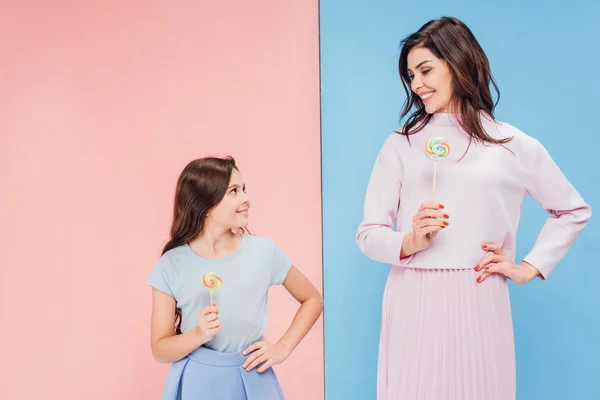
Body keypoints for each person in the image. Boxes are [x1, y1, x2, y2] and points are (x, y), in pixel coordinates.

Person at [356, 16, 591, 400]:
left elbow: (572, 210)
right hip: (412, 296)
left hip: (480, 294)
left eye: (426, 70)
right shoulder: (400, 144)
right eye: (411, 75)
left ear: (459, 62)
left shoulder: (512, 143)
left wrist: (528, 268)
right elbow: (368, 235)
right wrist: (412, 239)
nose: (416, 85)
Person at [148, 156, 323, 400]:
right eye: (233, 191)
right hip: (196, 382)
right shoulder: (171, 264)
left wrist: (283, 347)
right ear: (206, 205)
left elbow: (312, 299)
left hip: (253, 375)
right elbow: (160, 349)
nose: (245, 198)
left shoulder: (264, 252)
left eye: (244, 189)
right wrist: (198, 334)